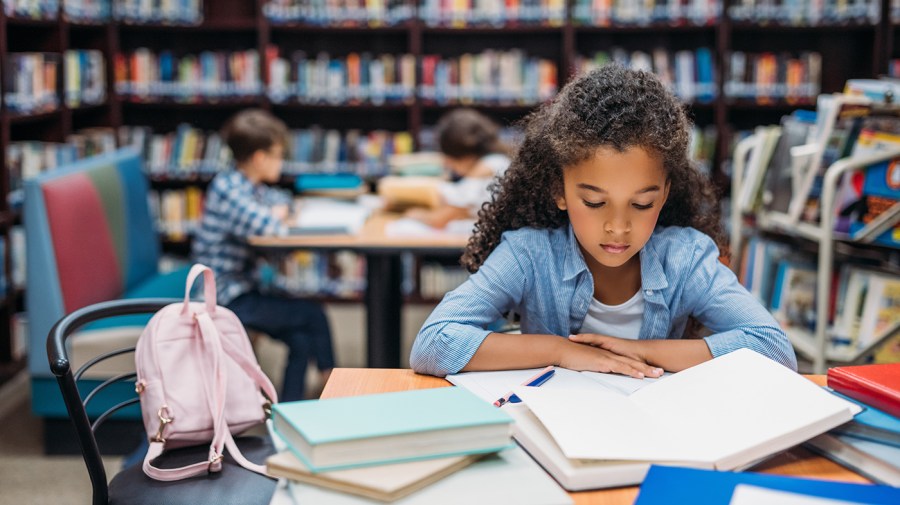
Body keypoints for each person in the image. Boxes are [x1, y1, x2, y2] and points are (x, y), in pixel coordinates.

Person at [409, 65, 797, 379]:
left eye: (641, 204)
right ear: (559, 190)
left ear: (664, 194)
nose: (618, 227)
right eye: (594, 202)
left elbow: (774, 350)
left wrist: (641, 352)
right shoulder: (529, 253)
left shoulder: (686, 258)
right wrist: (560, 350)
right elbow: (433, 343)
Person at [192, 108, 335, 401]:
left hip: (248, 287)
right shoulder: (228, 188)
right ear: (260, 158)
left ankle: (291, 409)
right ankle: (331, 385)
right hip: (225, 296)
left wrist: (283, 211)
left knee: (301, 336)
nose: (281, 162)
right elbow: (270, 227)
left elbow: (284, 203)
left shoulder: (250, 186)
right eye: (278, 155)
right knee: (313, 314)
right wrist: (281, 215)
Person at [405, 108, 511, 228]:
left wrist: (416, 214)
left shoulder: (488, 166)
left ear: (464, 154)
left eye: (450, 158)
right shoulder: (499, 160)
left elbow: (441, 219)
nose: (447, 164)